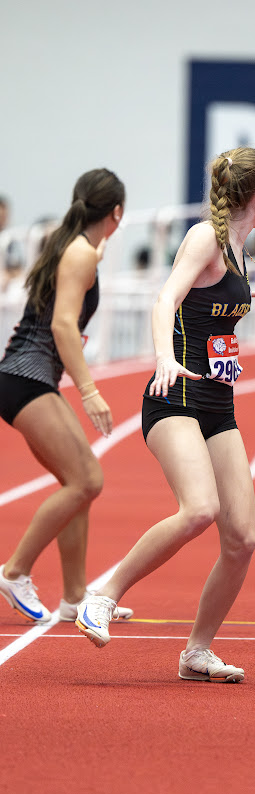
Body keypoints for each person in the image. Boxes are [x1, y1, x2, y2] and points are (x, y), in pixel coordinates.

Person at [76, 146, 255, 683]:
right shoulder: (204, 237)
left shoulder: (240, 249)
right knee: (199, 509)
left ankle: (197, 652)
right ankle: (103, 594)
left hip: (217, 406)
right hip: (174, 397)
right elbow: (165, 299)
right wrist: (164, 356)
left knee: (243, 539)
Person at [0, 168, 133, 625]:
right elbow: (62, 325)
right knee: (87, 481)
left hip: (26, 377)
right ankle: (14, 571)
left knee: (76, 485)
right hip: (26, 377)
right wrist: (90, 391)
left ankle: (75, 597)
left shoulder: (69, 243)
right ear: (116, 212)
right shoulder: (81, 253)